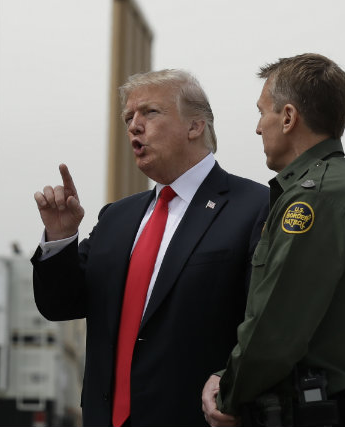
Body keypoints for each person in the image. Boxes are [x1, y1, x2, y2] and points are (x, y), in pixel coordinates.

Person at [32, 69, 269, 426]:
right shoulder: (116, 217)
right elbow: (61, 303)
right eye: (129, 117)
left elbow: (266, 322)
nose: (134, 126)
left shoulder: (255, 207)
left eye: (150, 113)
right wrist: (60, 238)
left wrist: (231, 379)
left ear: (195, 126)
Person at [203, 53, 345, 427]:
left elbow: (276, 324)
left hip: (312, 411)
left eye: (263, 112)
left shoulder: (314, 196)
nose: (258, 128)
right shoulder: (340, 187)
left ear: (288, 118)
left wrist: (229, 394)